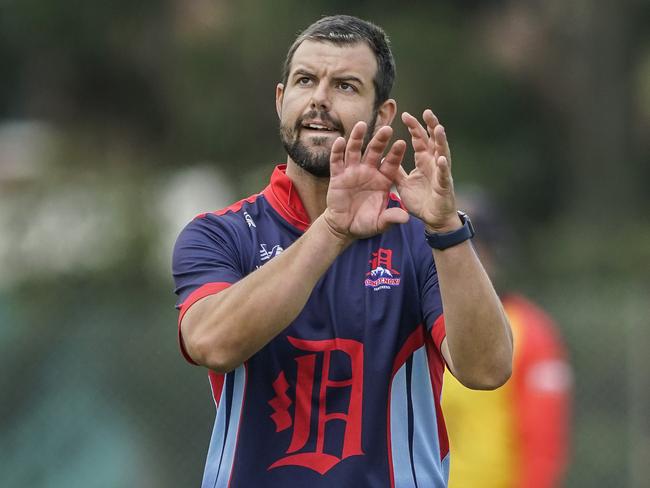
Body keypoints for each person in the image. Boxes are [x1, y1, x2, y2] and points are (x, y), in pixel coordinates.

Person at [172, 15, 513, 488]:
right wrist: (332, 230)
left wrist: (445, 226)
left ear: (383, 114)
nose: (319, 99)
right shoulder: (219, 234)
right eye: (305, 80)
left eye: (346, 86)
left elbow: (487, 369)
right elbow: (212, 343)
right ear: (280, 100)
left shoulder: (422, 239)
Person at [442, 190, 572, 488]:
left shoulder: (532, 330)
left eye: (468, 246)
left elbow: (544, 444)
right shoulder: (417, 322)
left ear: (491, 253)